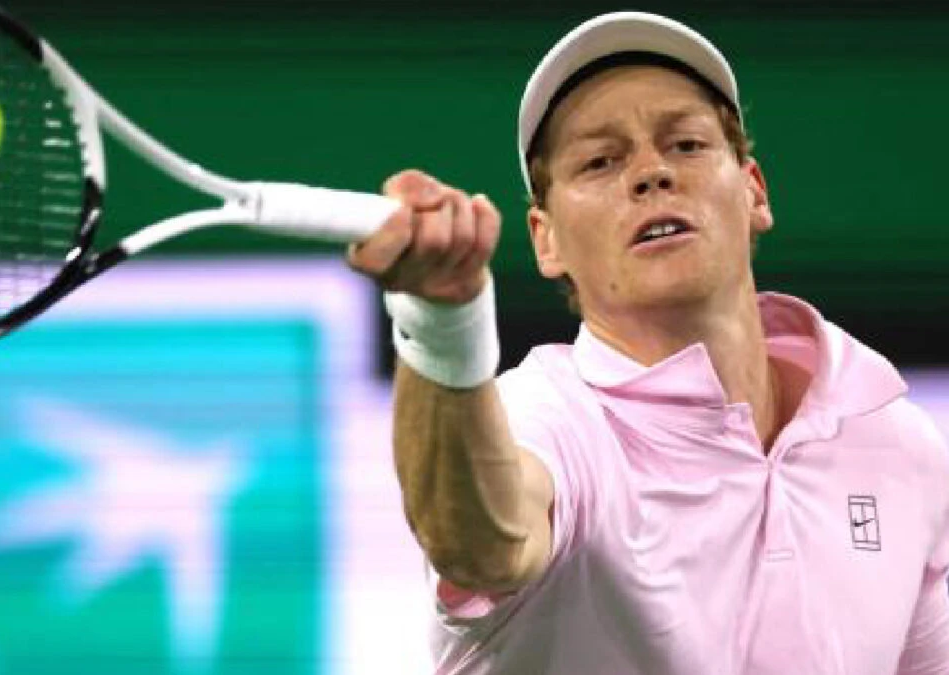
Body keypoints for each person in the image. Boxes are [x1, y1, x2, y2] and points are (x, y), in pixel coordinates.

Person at [347, 11, 949, 674]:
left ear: (754, 191)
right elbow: (480, 542)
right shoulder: (549, 419)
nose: (650, 173)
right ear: (545, 238)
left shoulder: (900, 444)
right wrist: (441, 323)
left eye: (686, 144)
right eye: (601, 161)